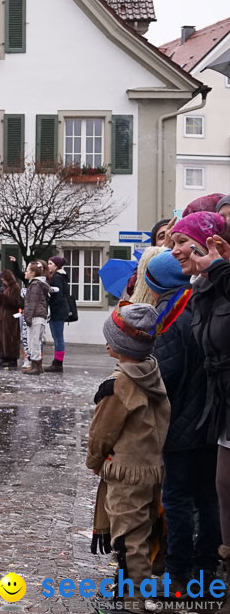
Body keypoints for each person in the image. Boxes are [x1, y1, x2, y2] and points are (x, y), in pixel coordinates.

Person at [132, 249, 218, 594]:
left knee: (179, 498)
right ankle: (207, 567)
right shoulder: (200, 304)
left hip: (181, 423)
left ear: (154, 284)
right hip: (210, 420)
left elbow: (164, 375)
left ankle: (180, 570)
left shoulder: (170, 317)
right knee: (208, 498)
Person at [86, 303, 167, 608]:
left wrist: (94, 462)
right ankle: (130, 590)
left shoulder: (118, 385)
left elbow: (102, 433)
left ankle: (135, 600)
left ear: (121, 346)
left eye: (111, 338)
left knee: (129, 538)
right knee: (143, 533)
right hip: (151, 467)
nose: (106, 342)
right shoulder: (152, 372)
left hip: (127, 472)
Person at [168, 212, 230, 579]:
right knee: (219, 492)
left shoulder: (215, 286)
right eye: (171, 242)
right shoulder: (201, 289)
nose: (173, 250)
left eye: (180, 242)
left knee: (207, 494)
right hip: (217, 408)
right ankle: (214, 571)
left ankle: (200, 573)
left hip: (212, 406)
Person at [21, 260, 51, 375]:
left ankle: (36, 365)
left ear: (33, 273)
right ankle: (35, 365)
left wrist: (28, 317)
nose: (25, 272)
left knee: (33, 341)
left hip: (36, 316)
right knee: (34, 341)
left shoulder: (35, 285)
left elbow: (32, 303)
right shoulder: (37, 284)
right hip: (39, 316)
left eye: (27, 270)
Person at [45, 255, 73, 372]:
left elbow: (58, 296)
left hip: (57, 311)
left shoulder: (57, 278)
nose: (48, 266)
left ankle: (58, 362)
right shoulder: (60, 276)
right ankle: (57, 361)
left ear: (57, 266)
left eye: (50, 264)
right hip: (60, 311)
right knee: (58, 337)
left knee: (58, 337)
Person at [0, 270, 23, 368]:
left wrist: (0, 296)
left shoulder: (15, 288)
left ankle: (11, 358)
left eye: (4, 280)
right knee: (3, 337)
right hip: (3, 316)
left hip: (10, 317)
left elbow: (14, 303)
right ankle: (4, 355)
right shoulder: (7, 288)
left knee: (10, 338)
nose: (3, 282)